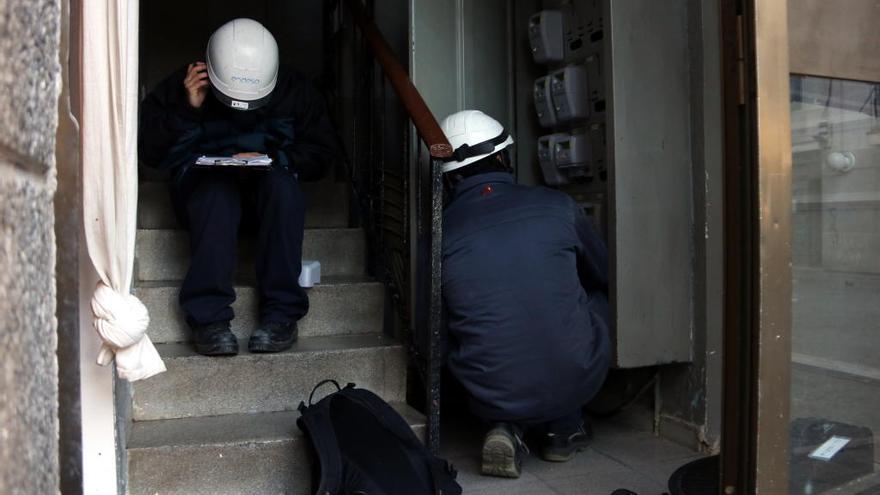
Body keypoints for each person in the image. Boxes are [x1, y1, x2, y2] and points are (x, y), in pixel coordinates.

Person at [139, 18, 337, 356]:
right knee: (216, 191)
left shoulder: (296, 90)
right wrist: (187, 110)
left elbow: (321, 154)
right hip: (206, 194)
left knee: (283, 189)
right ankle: (208, 319)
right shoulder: (186, 84)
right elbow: (150, 153)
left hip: (267, 191)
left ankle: (280, 315)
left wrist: (275, 157)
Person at [439, 110, 611, 478]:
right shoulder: (558, 205)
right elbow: (602, 273)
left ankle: (507, 425)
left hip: (487, 389)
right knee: (596, 299)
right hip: (576, 376)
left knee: (464, 323)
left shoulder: (440, 234)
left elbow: (432, 328)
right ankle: (563, 429)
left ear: (449, 177)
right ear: (503, 156)